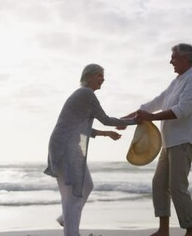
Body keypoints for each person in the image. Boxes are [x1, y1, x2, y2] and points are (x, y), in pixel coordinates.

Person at [120, 43, 192, 236]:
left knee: (177, 186)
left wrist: (151, 117)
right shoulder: (176, 82)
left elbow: (183, 110)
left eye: (174, 57)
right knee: (159, 184)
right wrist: (126, 120)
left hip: (184, 140)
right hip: (168, 143)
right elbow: (152, 105)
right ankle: (164, 230)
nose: (171, 61)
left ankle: (190, 231)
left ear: (187, 59)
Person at [44, 63, 137, 236]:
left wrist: (106, 134)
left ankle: (66, 219)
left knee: (86, 186)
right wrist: (136, 120)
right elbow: (106, 119)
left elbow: (81, 128)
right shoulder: (86, 93)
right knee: (73, 196)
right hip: (65, 146)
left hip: (66, 145)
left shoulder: (83, 95)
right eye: (100, 75)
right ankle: (71, 232)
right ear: (90, 76)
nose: (103, 79)